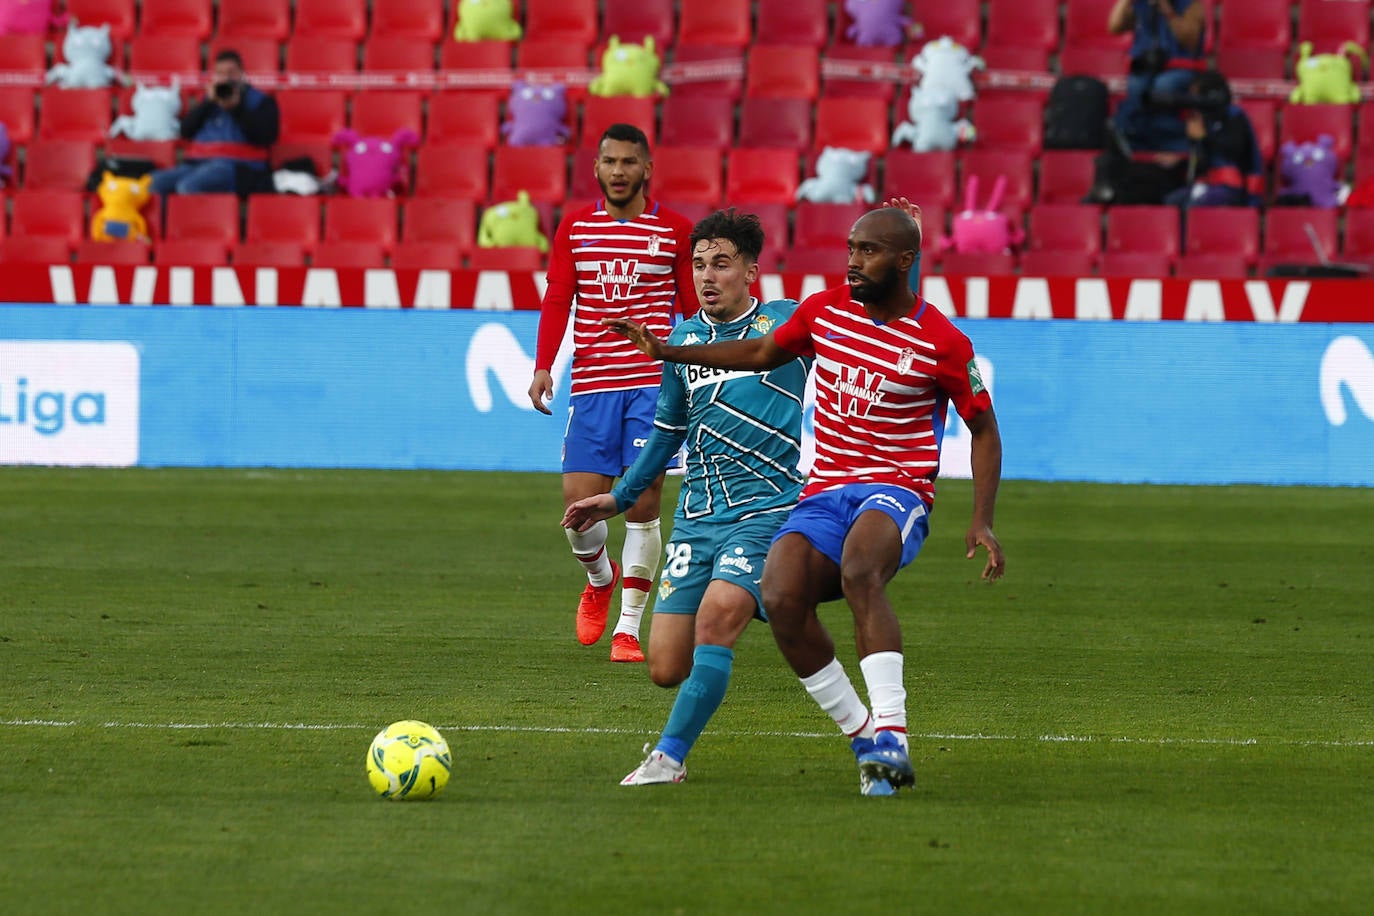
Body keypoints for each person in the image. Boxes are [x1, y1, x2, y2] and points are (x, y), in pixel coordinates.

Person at [606, 200, 1005, 796]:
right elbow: (760, 354)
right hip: (823, 492)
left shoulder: (943, 341)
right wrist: (668, 351)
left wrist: (981, 519)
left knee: (860, 570)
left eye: (867, 251)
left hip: (895, 488)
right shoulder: (823, 312)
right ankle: (867, 740)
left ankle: (893, 732)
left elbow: (983, 427)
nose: (852, 261)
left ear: (904, 261)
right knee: (782, 597)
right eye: (850, 248)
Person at [562, 209, 810, 785]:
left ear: (751, 270)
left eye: (721, 264)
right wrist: (619, 499)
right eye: (698, 264)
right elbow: (668, 430)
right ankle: (769, 596)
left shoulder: (786, 325)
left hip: (766, 508)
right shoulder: (680, 339)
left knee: (718, 618)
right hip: (698, 519)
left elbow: (871, 323)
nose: (706, 276)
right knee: (665, 667)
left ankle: (667, 758)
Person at [527, 123, 701, 663]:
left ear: (647, 168)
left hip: (654, 387)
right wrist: (543, 367)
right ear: (597, 168)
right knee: (578, 509)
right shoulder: (575, 227)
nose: (619, 171)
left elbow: (694, 308)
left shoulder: (675, 231)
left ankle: (627, 629)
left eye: (629, 162)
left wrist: (699, 368)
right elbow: (558, 298)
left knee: (643, 504)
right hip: (595, 386)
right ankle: (600, 578)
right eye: (610, 162)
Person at [150, 49, 279, 197]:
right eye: (220, 73)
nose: (226, 78)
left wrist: (236, 108)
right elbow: (185, 131)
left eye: (231, 72)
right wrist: (208, 103)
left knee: (188, 186)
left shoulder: (261, 101)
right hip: (198, 163)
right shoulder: (208, 101)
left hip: (237, 166)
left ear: (242, 73)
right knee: (155, 182)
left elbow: (265, 137)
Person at [1107, 0, 1207, 154]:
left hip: (1181, 66)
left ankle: (1171, 142)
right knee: (1136, 85)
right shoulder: (1142, 4)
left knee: (1163, 86)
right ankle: (1134, 140)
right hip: (1147, 65)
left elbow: (1191, 41)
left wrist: (1168, 11)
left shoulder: (1190, 4)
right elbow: (1114, 27)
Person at [1162, 70, 1263, 212]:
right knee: (1172, 201)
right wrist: (1182, 157)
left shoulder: (1234, 116)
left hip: (1233, 185)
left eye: (1197, 96)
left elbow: (1234, 149)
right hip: (1208, 182)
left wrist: (1204, 137)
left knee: (1193, 207)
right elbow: (1202, 161)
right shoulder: (1205, 119)